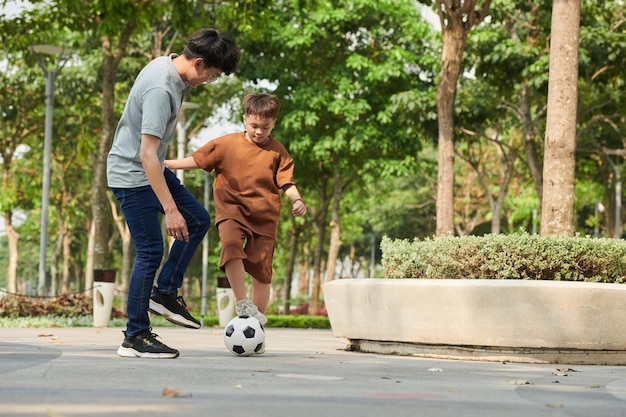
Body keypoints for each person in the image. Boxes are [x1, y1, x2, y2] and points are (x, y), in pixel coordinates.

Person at [107, 28, 240, 359]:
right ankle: (135, 337)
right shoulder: (161, 89)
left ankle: (164, 292)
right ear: (197, 63)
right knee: (151, 251)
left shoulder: (168, 67)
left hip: (147, 169)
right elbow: (147, 154)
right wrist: (170, 208)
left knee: (198, 220)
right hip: (132, 175)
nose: (210, 80)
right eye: (211, 75)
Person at [165, 93, 306, 328]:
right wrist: (167, 164)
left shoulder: (278, 152)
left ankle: (257, 327)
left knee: (262, 271)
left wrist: (297, 200)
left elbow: (287, 182)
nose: (259, 132)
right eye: (254, 126)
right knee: (231, 247)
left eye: (265, 127)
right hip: (232, 210)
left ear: (274, 124)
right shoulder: (226, 144)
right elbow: (197, 161)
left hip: (265, 217)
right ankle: (242, 302)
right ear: (244, 120)